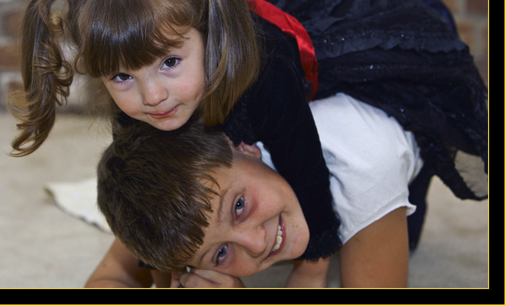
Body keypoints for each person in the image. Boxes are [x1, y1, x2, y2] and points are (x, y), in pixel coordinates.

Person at [9, 0, 487, 280]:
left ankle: (406, 185)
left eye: (170, 62)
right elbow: (153, 198)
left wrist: (313, 265)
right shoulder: (146, 102)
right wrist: (168, 272)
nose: (152, 96)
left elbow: (304, 164)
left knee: (398, 197)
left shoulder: (266, 72)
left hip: (374, 16)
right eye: (121, 77)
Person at [92, 93, 426, 287]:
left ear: (243, 145)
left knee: (390, 239)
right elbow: (107, 279)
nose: (256, 243)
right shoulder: (191, 192)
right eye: (220, 254)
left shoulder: (361, 163)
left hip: (392, 74)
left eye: (239, 206)